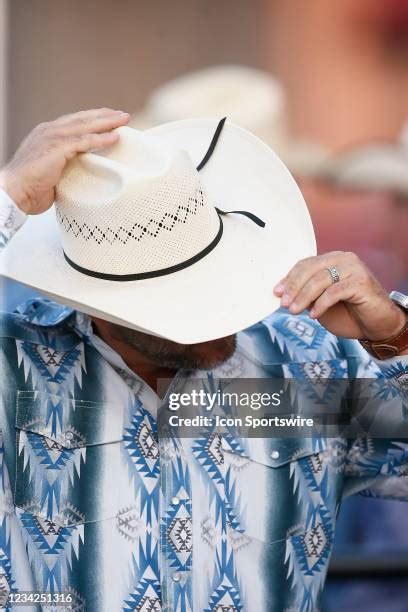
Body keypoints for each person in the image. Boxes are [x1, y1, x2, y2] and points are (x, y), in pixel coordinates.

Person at [0, 109, 406, 612]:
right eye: (184, 301)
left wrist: (394, 333)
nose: (220, 317)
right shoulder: (18, 365)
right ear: (104, 306)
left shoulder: (303, 361)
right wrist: (8, 196)